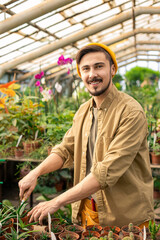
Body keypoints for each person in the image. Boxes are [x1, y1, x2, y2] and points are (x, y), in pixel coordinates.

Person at [19, 43, 154, 228]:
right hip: (89, 210)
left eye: (99, 66)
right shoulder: (83, 111)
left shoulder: (131, 112)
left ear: (112, 69)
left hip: (126, 218)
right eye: (86, 69)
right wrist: (35, 173)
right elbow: (65, 150)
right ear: (80, 74)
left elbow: (106, 171)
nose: (92, 74)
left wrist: (57, 201)